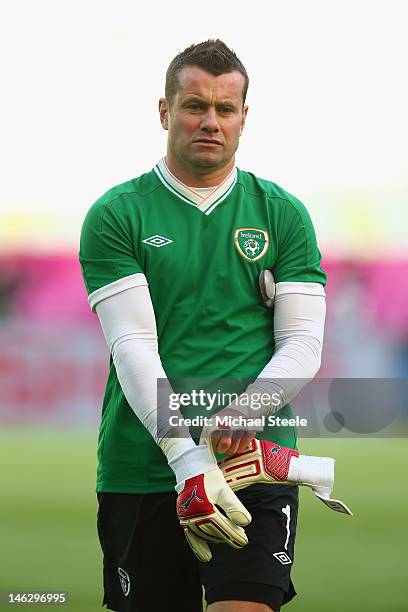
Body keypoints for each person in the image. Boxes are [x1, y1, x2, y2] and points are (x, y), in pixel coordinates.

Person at [79, 39, 327, 612]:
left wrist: (246, 411)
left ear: (244, 117)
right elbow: (133, 346)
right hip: (142, 465)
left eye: (225, 108)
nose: (209, 121)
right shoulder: (118, 214)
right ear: (165, 112)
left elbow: (303, 343)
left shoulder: (281, 213)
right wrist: (188, 460)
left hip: (253, 460)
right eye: (194, 105)